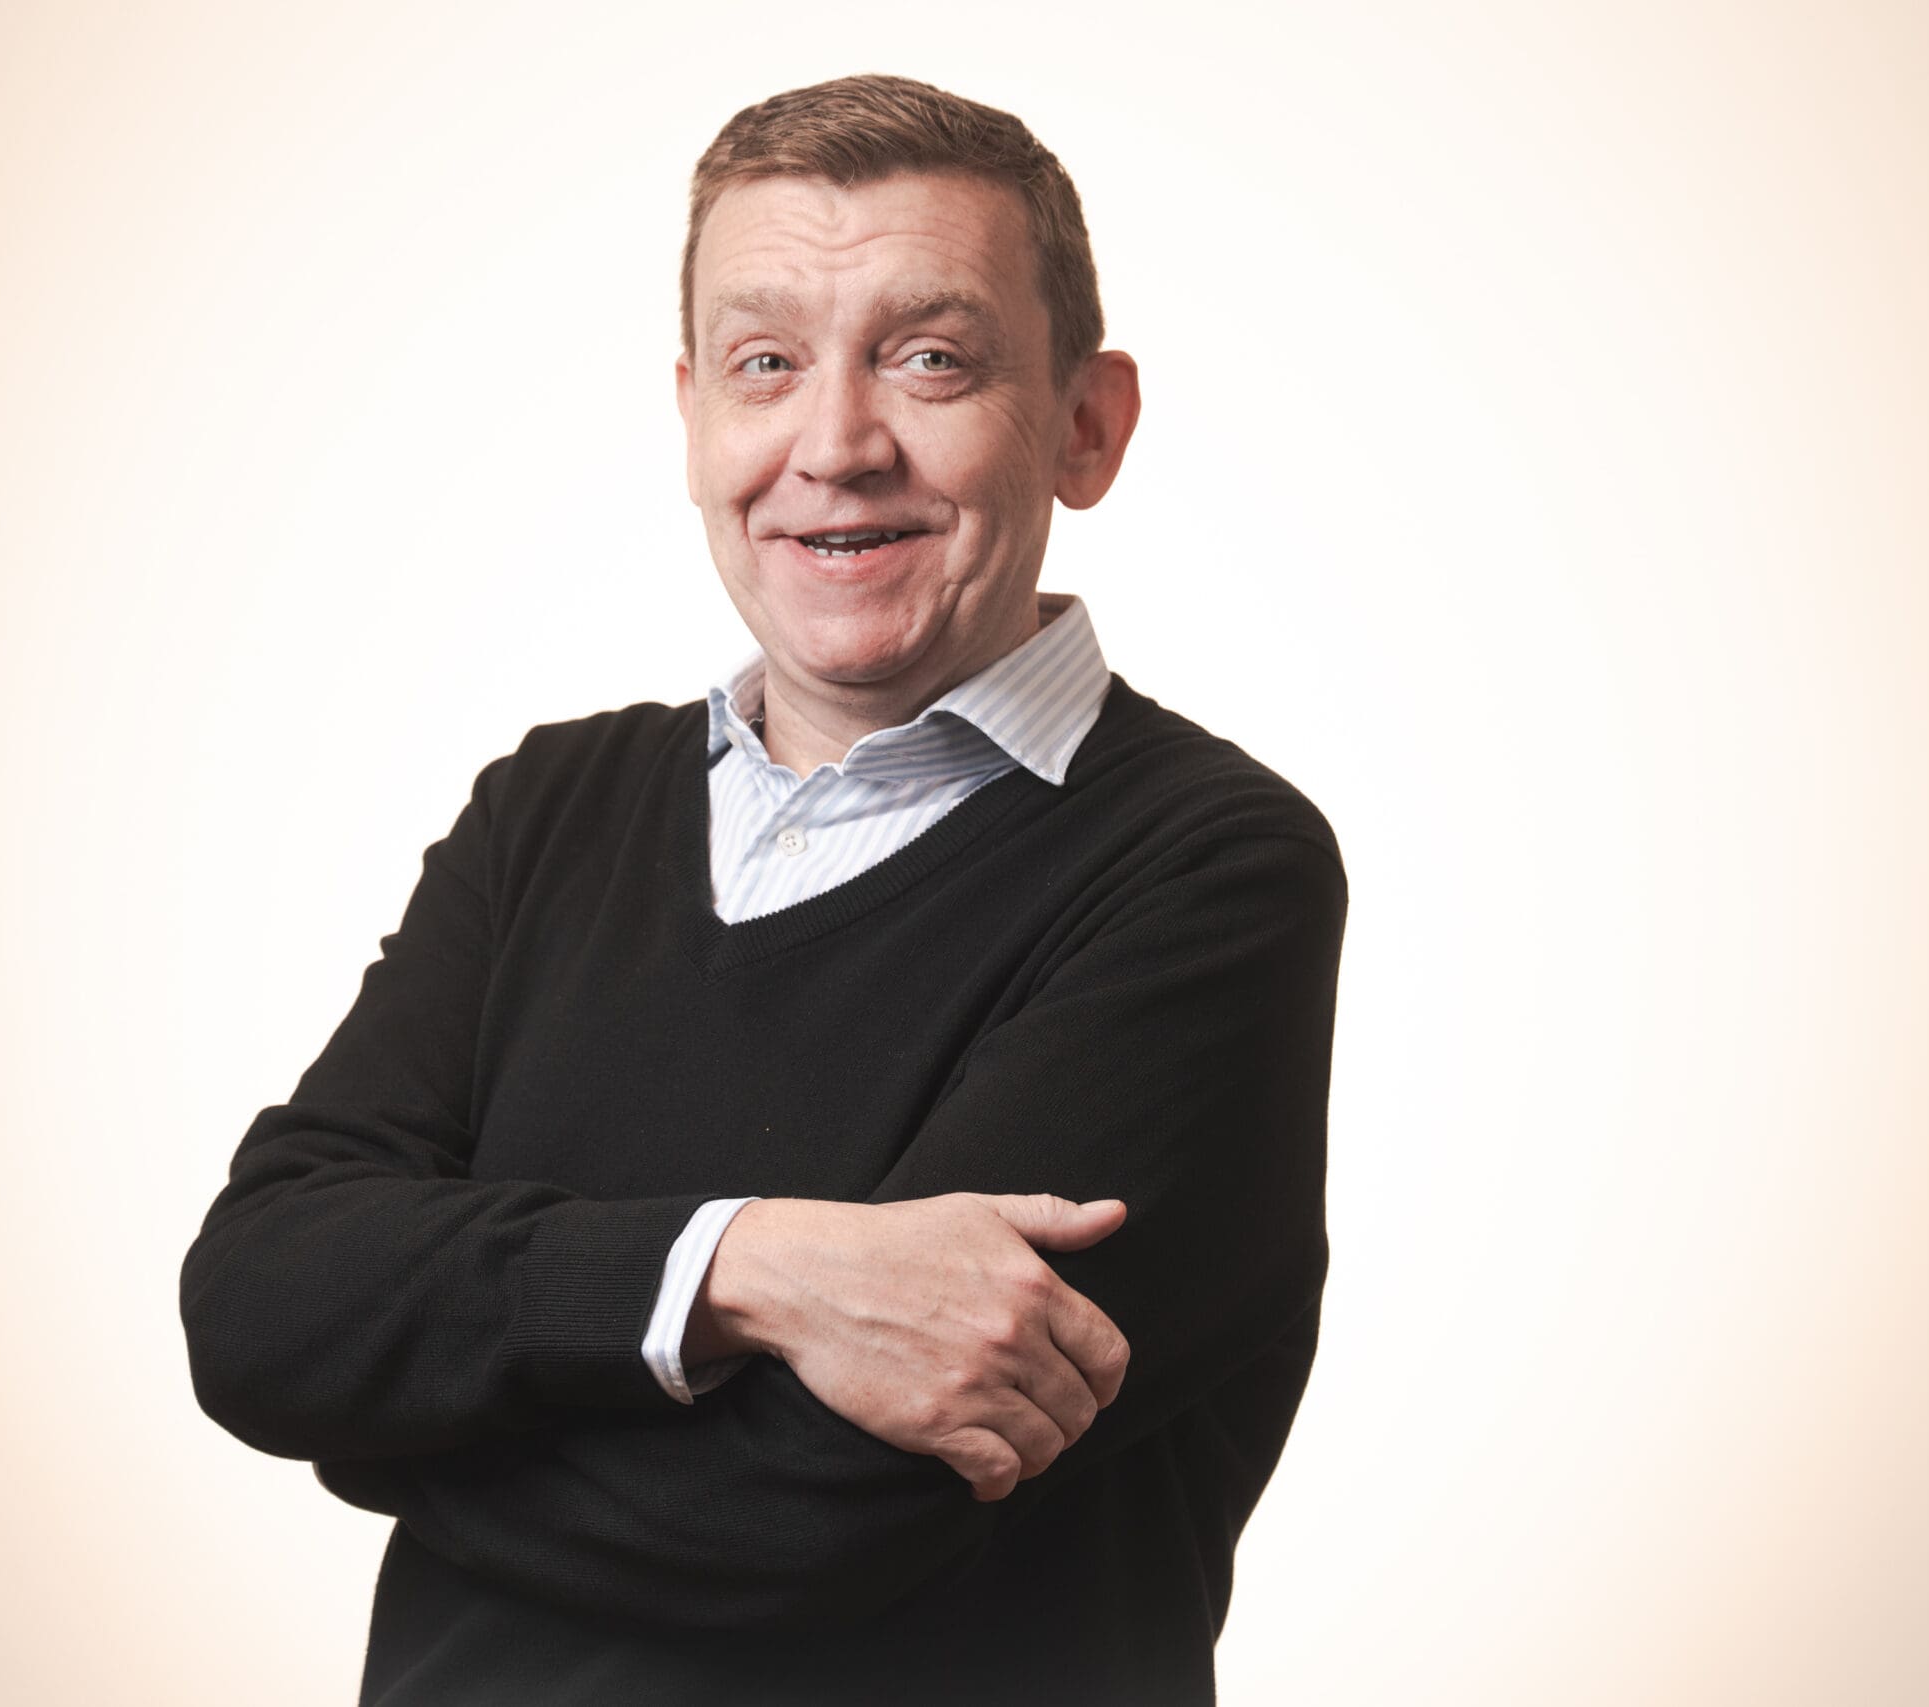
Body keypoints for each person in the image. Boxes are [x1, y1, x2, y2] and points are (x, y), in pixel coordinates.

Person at [180, 73, 1347, 1707]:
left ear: (1087, 425)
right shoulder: (551, 811)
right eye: (766, 365)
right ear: (693, 418)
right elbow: (256, 1305)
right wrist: (751, 1268)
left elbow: (812, 1519)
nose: (835, 445)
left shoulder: (1210, 869)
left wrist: (409, 1424)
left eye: (930, 357)